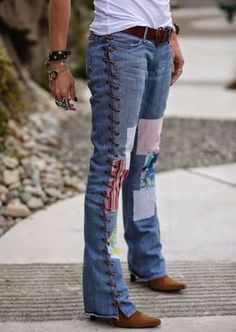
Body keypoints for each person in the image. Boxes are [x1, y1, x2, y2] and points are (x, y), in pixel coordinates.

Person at [47, 0, 186, 328]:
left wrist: (172, 33)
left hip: (159, 45)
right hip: (119, 48)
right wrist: (58, 62)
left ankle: (148, 262)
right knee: (112, 168)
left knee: (145, 160)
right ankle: (106, 297)